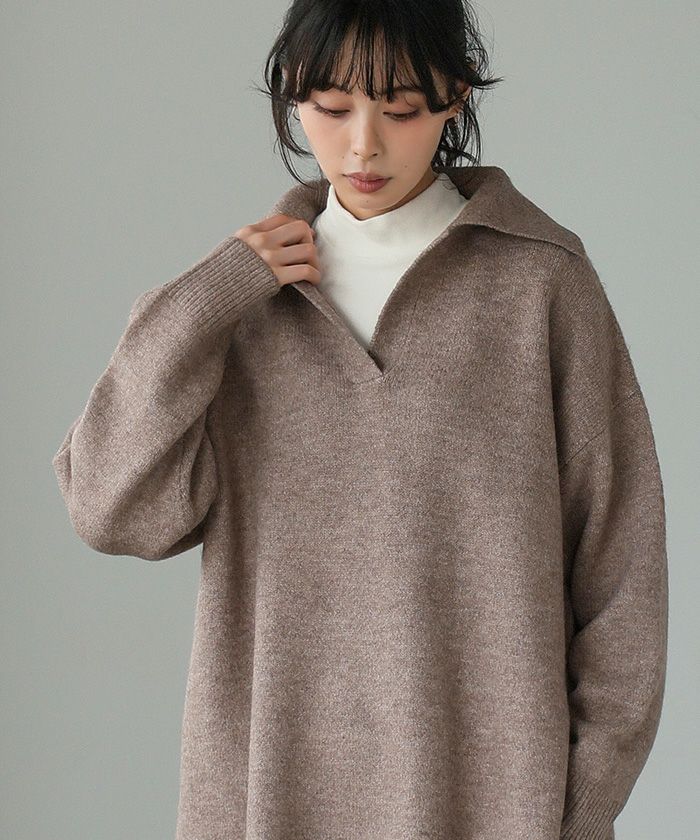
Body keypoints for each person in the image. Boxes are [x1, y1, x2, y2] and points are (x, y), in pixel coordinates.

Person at [51, 2, 669, 839]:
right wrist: (203, 301)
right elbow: (110, 510)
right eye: (331, 107)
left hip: (495, 807)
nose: (362, 146)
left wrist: (579, 808)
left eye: (401, 108)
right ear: (291, 96)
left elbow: (624, 567)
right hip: (272, 801)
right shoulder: (241, 309)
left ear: (455, 96)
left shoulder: (542, 286)